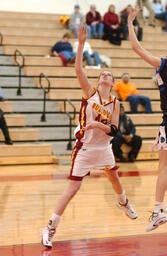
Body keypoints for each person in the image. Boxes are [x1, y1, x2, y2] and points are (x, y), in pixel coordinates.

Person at [41, 24, 137, 249]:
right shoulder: (90, 93)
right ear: (98, 80)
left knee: (114, 178)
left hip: (103, 148)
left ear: (112, 84)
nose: (105, 74)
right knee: (72, 190)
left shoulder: (115, 103)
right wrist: (81, 44)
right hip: (84, 148)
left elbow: (114, 129)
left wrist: (97, 125)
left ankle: (123, 203)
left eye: (109, 74)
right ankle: (50, 228)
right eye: (102, 73)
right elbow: (77, 69)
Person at [128, 7, 167, 232]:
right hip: (165, 122)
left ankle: (158, 210)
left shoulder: (164, 64)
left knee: (163, 168)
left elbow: (136, 48)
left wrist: (130, 22)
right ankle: (157, 211)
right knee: (163, 168)